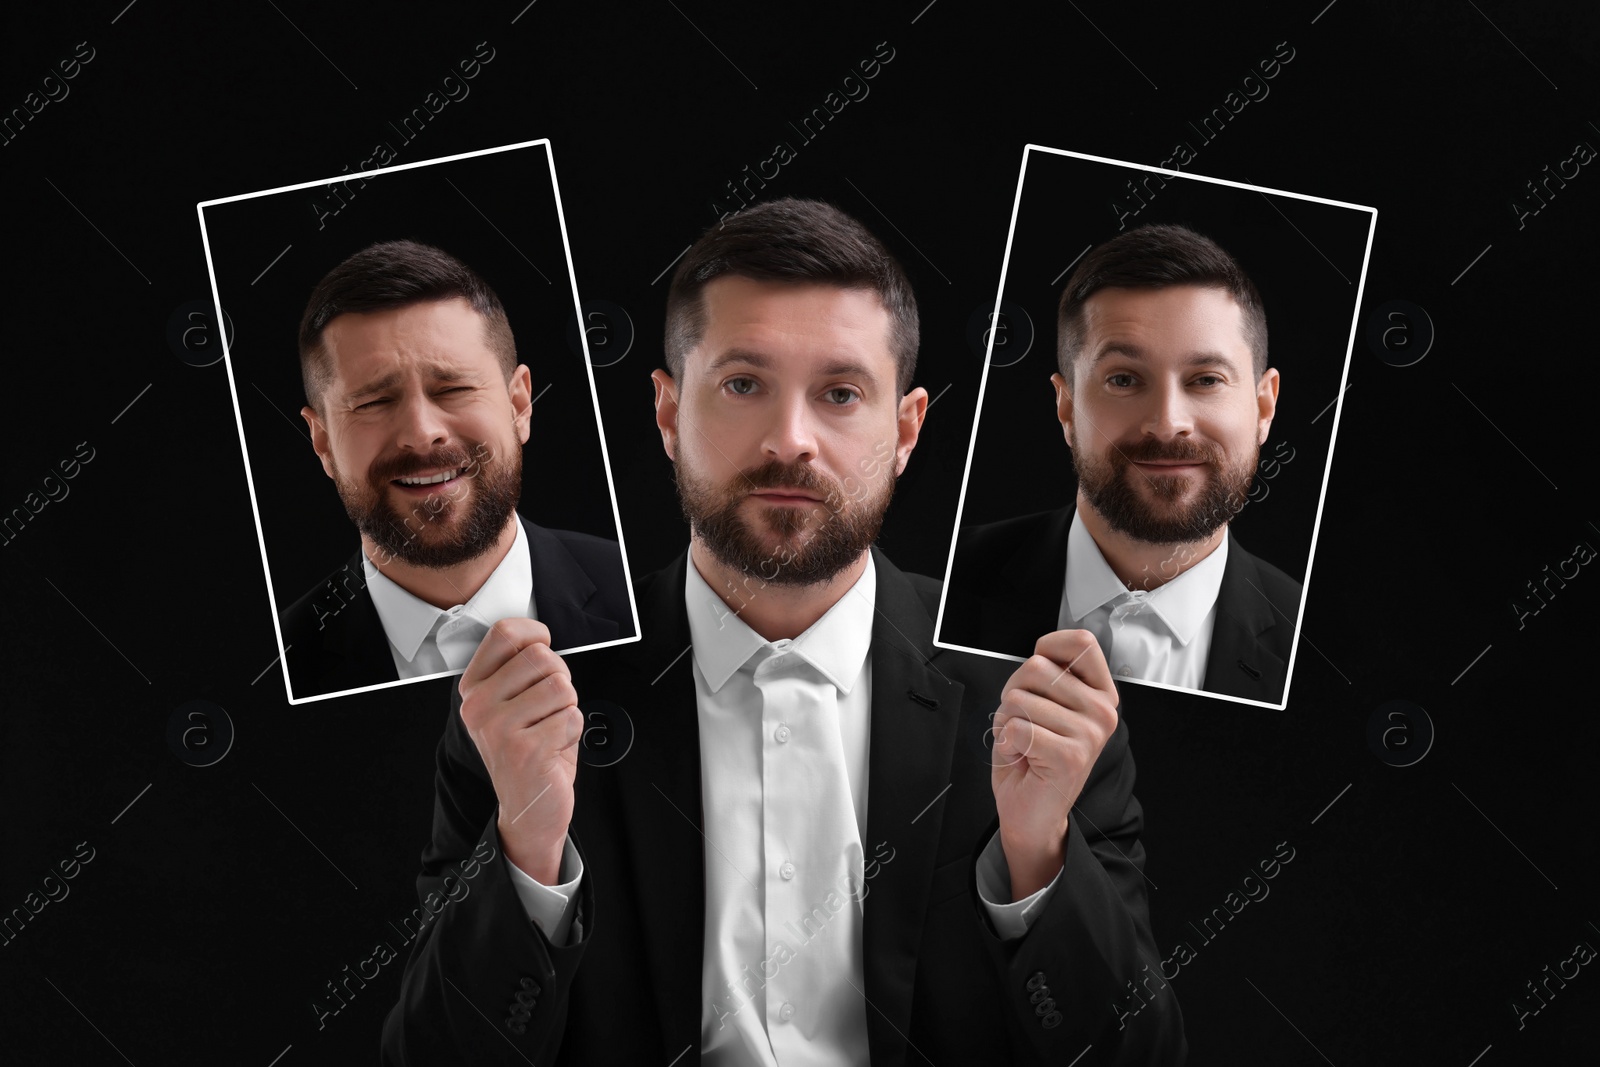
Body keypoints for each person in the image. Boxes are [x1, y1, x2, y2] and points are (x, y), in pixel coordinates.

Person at [381, 200, 1184, 1064]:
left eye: (840, 394)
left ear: (905, 429)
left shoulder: (1033, 690)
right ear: (667, 412)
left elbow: (1140, 1056)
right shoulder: (528, 699)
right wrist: (529, 856)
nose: (789, 440)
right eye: (742, 385)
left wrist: (1038, 859)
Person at [943, 224, 1301, 705]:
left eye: (1207, 380)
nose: (1167, 423)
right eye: (1125, 379)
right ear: (1066, 407)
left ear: (1263, 408)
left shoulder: (1315, 645)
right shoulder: (940, 590)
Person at [278, 240, 633, 700]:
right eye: (374, 402)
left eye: (453, 388)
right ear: (322, 441)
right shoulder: (281, 664)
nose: (422, 434)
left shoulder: (649, 598)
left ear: (518, 404)